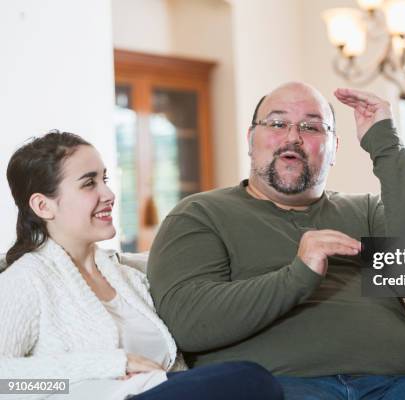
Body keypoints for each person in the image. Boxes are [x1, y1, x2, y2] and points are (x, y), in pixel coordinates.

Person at [146, 82, 405, 400]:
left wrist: (386, 143)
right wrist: (298, 275)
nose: (292, 137)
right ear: (250, 139)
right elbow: (189, 321)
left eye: (312, 127)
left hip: (400, 386)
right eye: (277, 123)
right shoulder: (201, 214)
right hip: (283, 387)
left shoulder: (367, 211)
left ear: (334, 149)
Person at [0, 131, 283, 400]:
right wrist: (112, 364)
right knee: (249, 379)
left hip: (162, 390)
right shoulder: (27, 279)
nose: (109, 193)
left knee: (252, 380)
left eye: (104, 179)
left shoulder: (129, 277)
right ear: (43, 206)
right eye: (89, 183)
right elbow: (5, 382)